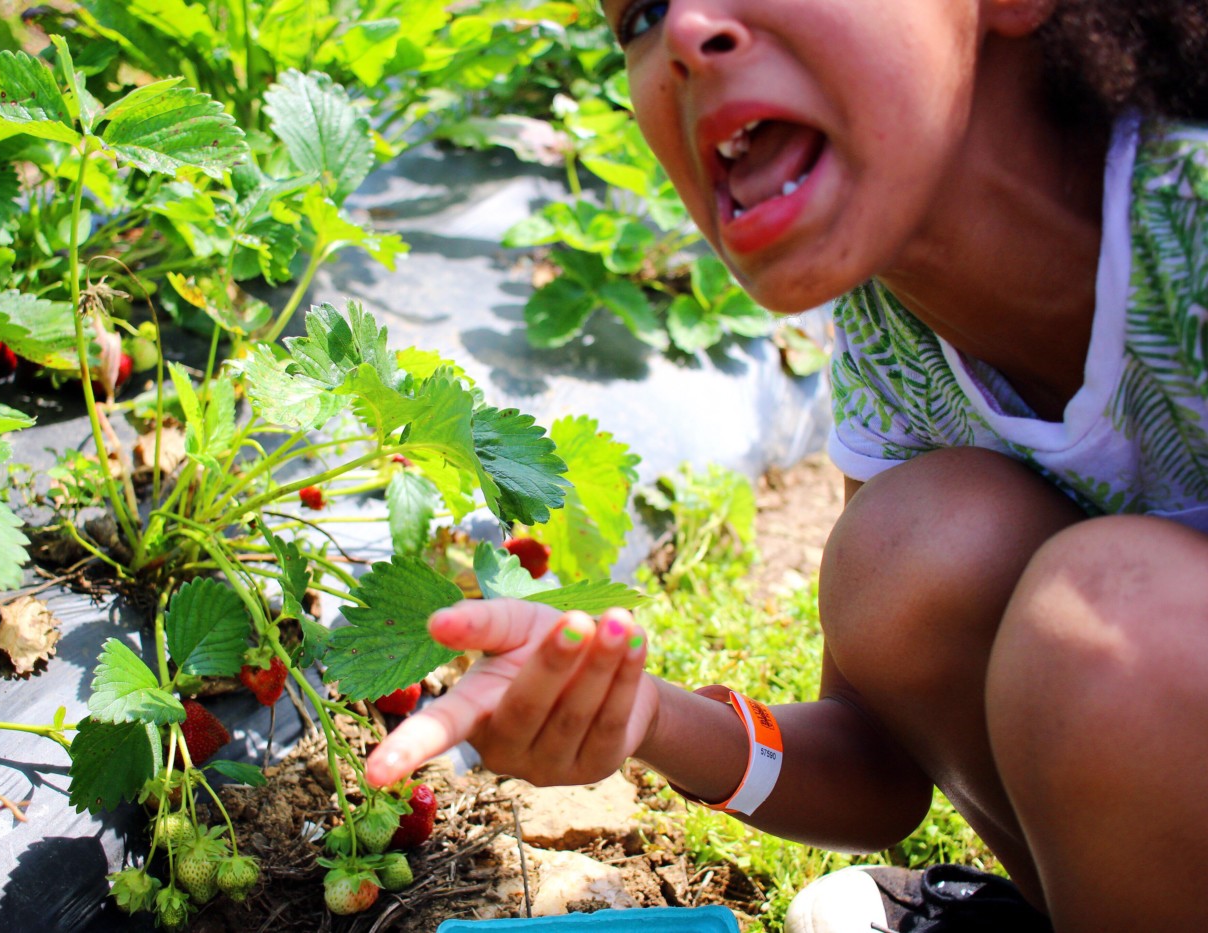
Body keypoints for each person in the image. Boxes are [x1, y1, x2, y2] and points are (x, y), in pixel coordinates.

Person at [365, 2, 1208, 930]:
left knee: (1112, 616)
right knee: (914, 545)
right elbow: (880, 770)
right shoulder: (894, 328)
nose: (686, 32)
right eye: (640, 12)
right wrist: (646, 717)